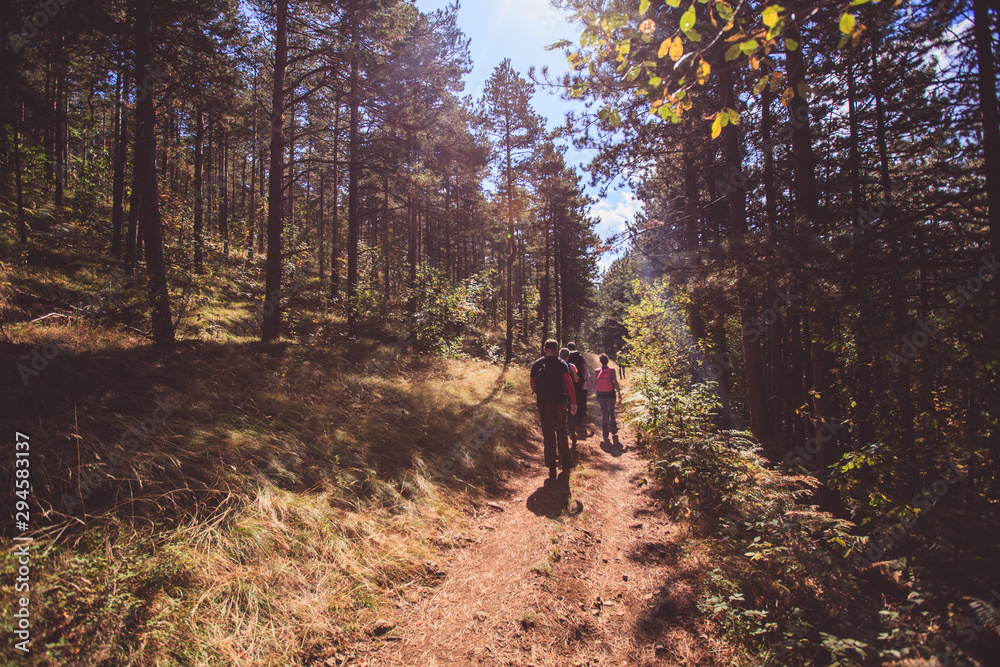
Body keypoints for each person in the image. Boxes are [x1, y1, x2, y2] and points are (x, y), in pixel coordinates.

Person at [531, 340, 578, 479]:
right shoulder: (561, 363)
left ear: (545, 349)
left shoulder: (537, 364)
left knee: (548, 433)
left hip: (545, 403)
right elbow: (569, 384)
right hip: (560, 402)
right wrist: (574, 403)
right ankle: (566, 462)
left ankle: (551, 466)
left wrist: (543, 394)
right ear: (556, 349)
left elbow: (533, 385)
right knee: (561, 430)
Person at [594, 353, 622, 443]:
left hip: (601, 394)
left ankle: (605, 431)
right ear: (608, 361)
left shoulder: (597, 371)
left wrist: (596, 393)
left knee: (604, 411)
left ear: (600, 361)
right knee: (612, 410)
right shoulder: (612, 370)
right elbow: (616, 382)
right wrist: (619, 393)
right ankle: (613, 427)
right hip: (611, 393)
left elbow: (595, 384)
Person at [559, 348, 580, 449]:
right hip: (568, 392)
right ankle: (573, 434)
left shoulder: (556, 365)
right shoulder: (571, 366)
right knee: (570, 415)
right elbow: (576, 380)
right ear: (568, 357)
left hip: (558, 393)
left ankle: (560, 438)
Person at [566, 342, 591, 423]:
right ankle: (579, 416)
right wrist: (588, 380)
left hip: (569, 380)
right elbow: (584, 369)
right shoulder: (580, 357)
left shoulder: (567, 357)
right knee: (579, 398)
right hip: (579, 380)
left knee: (571, 398)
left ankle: (572, 417)